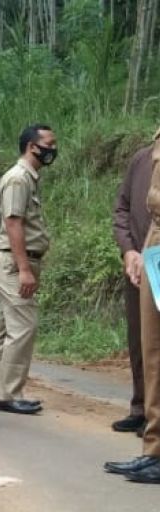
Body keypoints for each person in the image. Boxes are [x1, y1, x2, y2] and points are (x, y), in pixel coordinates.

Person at [104, 125, 160, 484]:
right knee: (152, 352)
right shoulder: (148, 152)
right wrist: (132, 250)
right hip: (152, 243)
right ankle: (154, 449)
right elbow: (125, 207)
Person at [0, 124, 56, 415]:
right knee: (23, 327)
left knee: (6, 329)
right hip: (14, 263)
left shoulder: (27, 178)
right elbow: (14, 223)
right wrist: (24, 268)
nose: (53, 149)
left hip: (14, 262)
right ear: (32, 146)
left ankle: (0, 389)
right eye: (49, 144)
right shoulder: (18, 179)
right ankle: (9, 393)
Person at [110, 140, 153, 434]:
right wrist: (129, 251)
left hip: (157, 261)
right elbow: (121, 209)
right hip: (137, 265)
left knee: (156, 344)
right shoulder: (142, 159)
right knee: (139, 340)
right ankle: (140, 407)